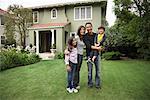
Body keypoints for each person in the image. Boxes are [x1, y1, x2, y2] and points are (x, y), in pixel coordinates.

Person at [83, 22, 103, 89]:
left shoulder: (96, 35)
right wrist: (98, 48)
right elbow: (88, 46)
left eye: (89, 27)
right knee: (90, 71)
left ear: (92, 27)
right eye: (87, 27)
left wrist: (100, 47)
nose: (88, 28)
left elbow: (100, 42)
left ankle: (97, 84)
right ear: (86, 28)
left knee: (98, 71)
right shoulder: (85, 36)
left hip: (97, 55)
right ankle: (90, 84)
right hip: (89, 56)